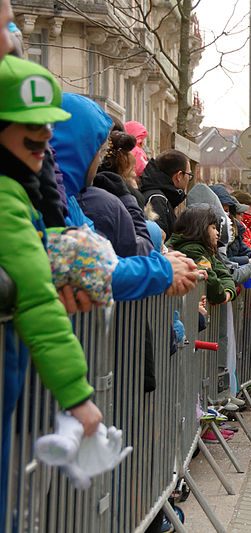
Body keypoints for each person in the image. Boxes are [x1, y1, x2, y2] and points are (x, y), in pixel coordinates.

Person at [0, 53, 102, 526]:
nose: (44, 135)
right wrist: (78, 398)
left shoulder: (21, 190)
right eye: (29, 126)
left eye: (49, 124)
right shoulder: (7, 199)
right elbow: (37, 299)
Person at [166, 205, 236, 305]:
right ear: (201, 228)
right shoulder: (192, 250)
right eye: (213, 228)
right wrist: (221, 296)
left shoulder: (205, 250)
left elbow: (224, 273)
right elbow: (211, 280)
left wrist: (228, 291)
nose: (217, 233)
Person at [139, 149, 191, 239]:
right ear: (179, 176)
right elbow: (157, 241)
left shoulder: (160, 196)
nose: (188, 179)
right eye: (189, 175)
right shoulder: (157, 200)